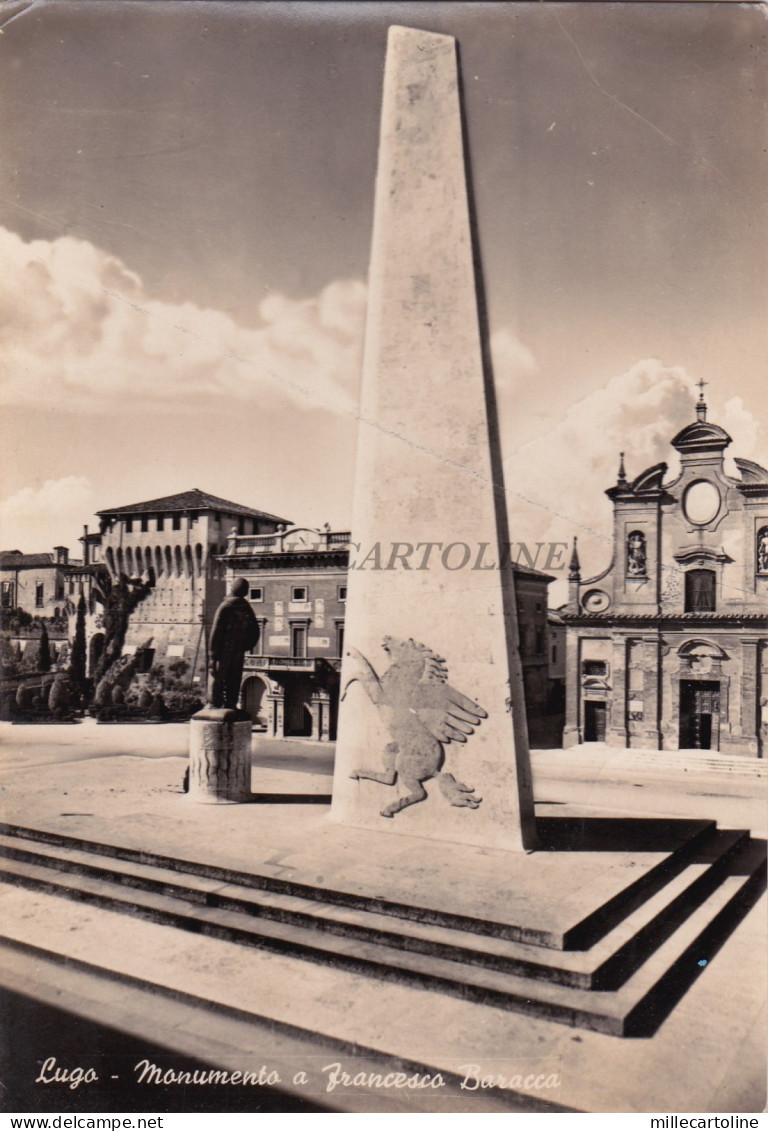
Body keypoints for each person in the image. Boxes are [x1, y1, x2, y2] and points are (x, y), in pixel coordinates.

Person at [207, 577, 260, 709]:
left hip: (223, 650)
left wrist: (212, 655)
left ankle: (214, 703)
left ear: (232, 588)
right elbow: (256, 630)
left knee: (217, 677)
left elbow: (215, 631)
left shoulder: (225, 606)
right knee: (234, 678)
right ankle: (231, 704)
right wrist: (246, 645)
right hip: (238, 650)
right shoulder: (246, 607)